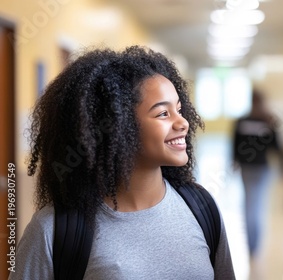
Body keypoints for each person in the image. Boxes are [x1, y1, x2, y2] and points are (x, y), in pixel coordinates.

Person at [10, 46, 235, 280]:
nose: (183, 123)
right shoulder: (55, 230)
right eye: (163, 114)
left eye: (178, 109)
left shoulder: (202, 208)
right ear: (119, 127)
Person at [232, 89, 283, 259]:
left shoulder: (242, 121)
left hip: (247, 168)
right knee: (259, 205)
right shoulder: (268, 121)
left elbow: (235, 144)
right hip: (262, 168)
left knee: (248, 204)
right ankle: (256, 244)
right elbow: (277, 147)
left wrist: (234, 161)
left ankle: (250, 244)